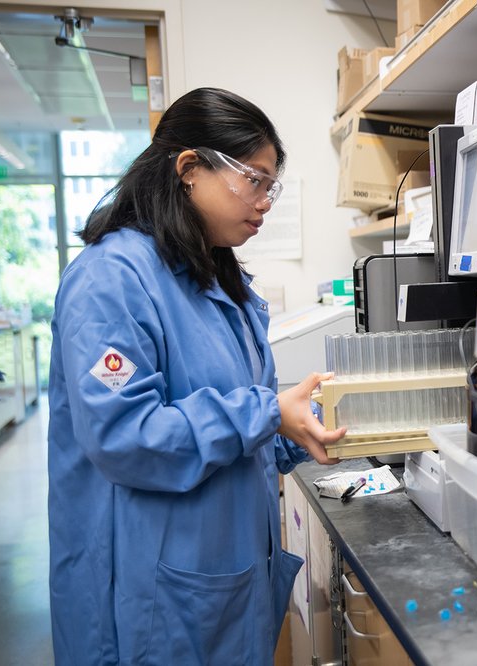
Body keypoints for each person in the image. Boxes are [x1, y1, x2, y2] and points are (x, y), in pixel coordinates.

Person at [47, 87, 346, 665]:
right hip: (146, 596)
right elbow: (125, 436)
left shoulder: (216, 282)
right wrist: (267, 413)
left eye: (271, 186)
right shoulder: (111, 280)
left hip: (216, 582)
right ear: (188, 168)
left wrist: (299, 428)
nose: (264, 203)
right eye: (254, 180)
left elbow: (240, 423)